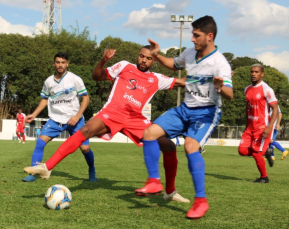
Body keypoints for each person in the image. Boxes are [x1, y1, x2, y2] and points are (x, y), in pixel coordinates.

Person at [23, 46, 190, 202]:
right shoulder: (124, 66)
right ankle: (47, 166)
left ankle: (170, 191)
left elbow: (183, 82)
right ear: (137, 56)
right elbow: (96, 76)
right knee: (86, 129)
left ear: (154, 61)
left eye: (148, 58)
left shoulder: (157, 78)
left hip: (135, 119)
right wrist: (103, 60)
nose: (144, 60)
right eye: (141, 56)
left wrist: (201, 71)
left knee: (168, 145)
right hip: (112, 113)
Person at [137, 16, 234, 219]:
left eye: (196, 35)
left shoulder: (220, 63)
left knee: (191, 146)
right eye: (192, 34)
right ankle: (154, 181)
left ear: (209, 36)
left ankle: (201, 201)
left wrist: (220, 87)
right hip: (184, 109)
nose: (192, 39)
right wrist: (157, 55)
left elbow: (230, 94)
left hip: (206, 112)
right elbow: (174, 65)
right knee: (149, 133)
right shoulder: (190, 53)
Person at [22, 52, 97, 183]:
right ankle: (33, 173)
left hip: (75, 120)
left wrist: (77, 116)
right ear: (54, 64)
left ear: (67, 64)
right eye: (58, 62)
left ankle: (91, 169)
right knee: (40, 142)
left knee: (86, 149)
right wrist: (34, 114)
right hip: (56, 119)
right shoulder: (49, 81)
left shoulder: (75, 79)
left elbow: (86, 98)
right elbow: (44, 100)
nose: (60, 65)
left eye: (63, 62)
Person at [239, 64, 278, 183]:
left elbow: (275, 109)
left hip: (262, 127)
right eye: (252, 72)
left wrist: (269, 127)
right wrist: (246, 125)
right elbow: (248, 108)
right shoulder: (247, 89)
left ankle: (264, 177)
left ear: (262, 74)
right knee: (242, 151)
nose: (253, 74)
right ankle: (265, 151)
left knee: (256, 153)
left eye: (256, 72)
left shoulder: (267, 89)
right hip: (250, 127)